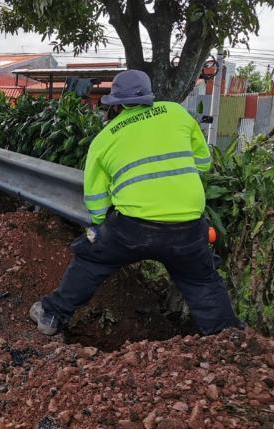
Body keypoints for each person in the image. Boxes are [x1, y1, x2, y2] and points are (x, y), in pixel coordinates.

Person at [30, 70, 243, 337]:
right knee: (202, 281)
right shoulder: (176, 113)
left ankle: (51, 315)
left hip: (132, 229)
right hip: (188, 226)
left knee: (91, 261)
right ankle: (228, 341)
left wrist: (101, 228)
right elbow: (203, 163)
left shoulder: (105, 139)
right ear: (149, 94)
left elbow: (95, 200)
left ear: (116, 102)